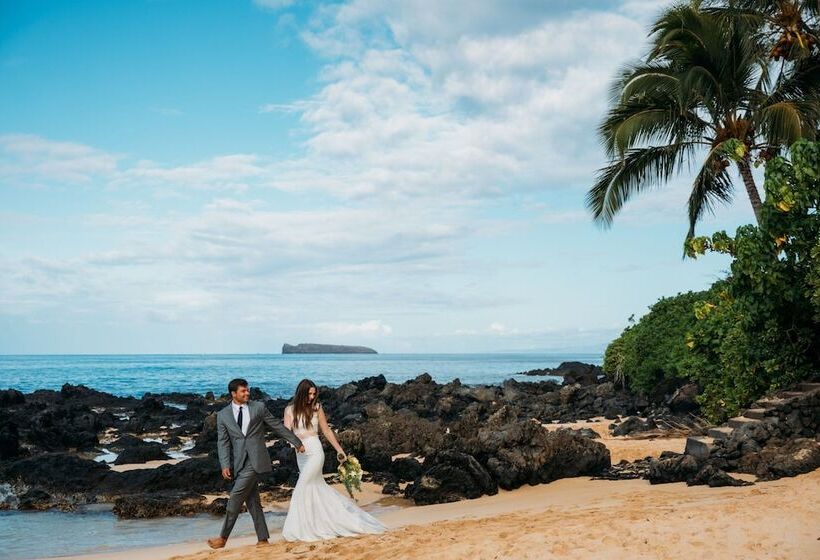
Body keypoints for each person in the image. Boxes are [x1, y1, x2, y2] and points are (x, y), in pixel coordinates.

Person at [282, 378, 386, 541]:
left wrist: (339, 450)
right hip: (300, 454)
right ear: (301, 393)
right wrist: (294, 444)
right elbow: (286, 432)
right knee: (314, 488)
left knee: (302, 487)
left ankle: (298, 529)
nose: (311, 397)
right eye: (309, 394)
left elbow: (327, 431)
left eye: (314, 394)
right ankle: (319, 523)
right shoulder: (289, 410)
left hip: (315, 451)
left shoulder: (316, 408)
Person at [207, 378, 305, 549]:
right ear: (233, 394)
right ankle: (263, 539)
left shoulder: (258, 408)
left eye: (247, 390)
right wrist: (224, 464)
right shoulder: (222, 415)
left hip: (257, 460)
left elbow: (277, 426)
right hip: (240, 463)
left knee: (235, 499)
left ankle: (223, 538)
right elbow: (222, 442)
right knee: (253, 502)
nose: (247, 393)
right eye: (243, 391)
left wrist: (296, 442)